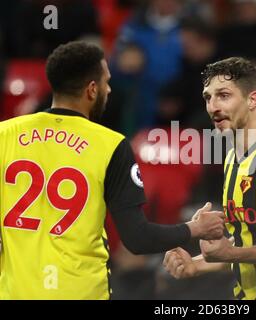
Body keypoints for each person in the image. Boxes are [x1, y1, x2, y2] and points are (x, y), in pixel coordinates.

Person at [0, 41, 225, 300]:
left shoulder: (5, 134)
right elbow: (137, 239)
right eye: (106, 82)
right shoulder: (110, 145)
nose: (109, 89)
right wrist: (195, 228)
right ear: (92, 89)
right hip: (80, 292)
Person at [164, 57, 256, 300]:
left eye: (223, 95)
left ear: (252, 99)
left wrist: (230, 254)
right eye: (208, 98)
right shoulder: (232, 157)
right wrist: (197, 264)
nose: (213, 107)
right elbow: (247, 242)